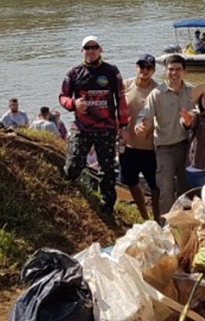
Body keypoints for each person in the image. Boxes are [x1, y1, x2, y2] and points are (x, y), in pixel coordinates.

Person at [59, 35, 129, 216]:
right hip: (81, 127)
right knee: (74, 164)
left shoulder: (112, 72)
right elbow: (63, 97)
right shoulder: (73, 73)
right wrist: (73, 104)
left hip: (106, 129)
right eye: (87, 48)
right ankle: (65, 193)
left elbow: (120, 99)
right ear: (82, 51)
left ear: (100, 50)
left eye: (94, 47)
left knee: (107, 171)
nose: (91, 51)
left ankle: (107, 208)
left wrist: (124, 126)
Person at [136, 54, 192, 216]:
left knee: (186, 190)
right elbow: (144, 114)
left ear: (184, 72)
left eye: (178, 70)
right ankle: (166, 227)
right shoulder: (156, 94)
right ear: (165, 71)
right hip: (164, 149)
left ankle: (186, 224)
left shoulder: (192, 91)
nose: (174, 73)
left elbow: (201, 113)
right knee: (165, 191)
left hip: (186, 148)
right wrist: (140, 126)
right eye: (171, 70)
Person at [121, 54, 161, 222]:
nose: (144, 71)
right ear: (136, 67)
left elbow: (163, 116)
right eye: (141, 67)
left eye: (148, 68)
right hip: (128, 145)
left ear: (153, 70)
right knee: (131, 181)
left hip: (150, 146)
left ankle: (158, 219)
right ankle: (145, 216)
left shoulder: (158, 90)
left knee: (155, 186)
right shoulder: (125, 86)